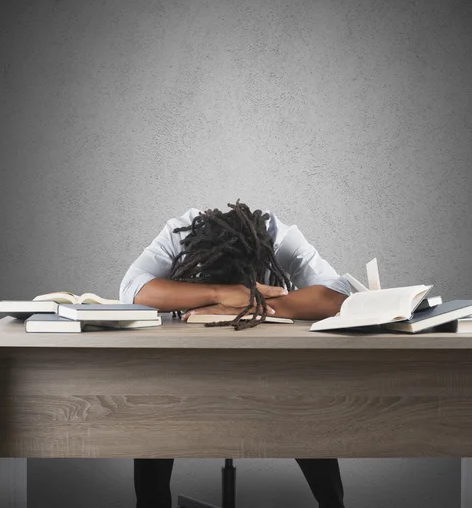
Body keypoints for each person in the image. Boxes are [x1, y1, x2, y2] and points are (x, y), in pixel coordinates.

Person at [120, 200, 352, 508]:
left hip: (271, 369)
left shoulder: (279, 237)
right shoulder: (181, 234)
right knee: (155, 406)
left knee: (305, 402)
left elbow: (339, 296)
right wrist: (217, 294)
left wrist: (251, 304)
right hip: (189, 366)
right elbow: (132, 289)